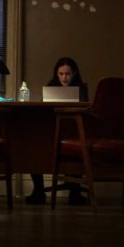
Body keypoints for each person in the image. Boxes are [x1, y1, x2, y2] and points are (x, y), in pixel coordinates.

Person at [25, 57, 89, 205]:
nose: (64, 78)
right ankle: (38, 191)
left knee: (79, 144)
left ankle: (75, 191)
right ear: (56, 74)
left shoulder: (82, 89)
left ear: (74, 74)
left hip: (74, 132)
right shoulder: (50, 87)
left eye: (67, 74)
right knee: (34, 146)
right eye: (61, 74)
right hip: (51, 131)